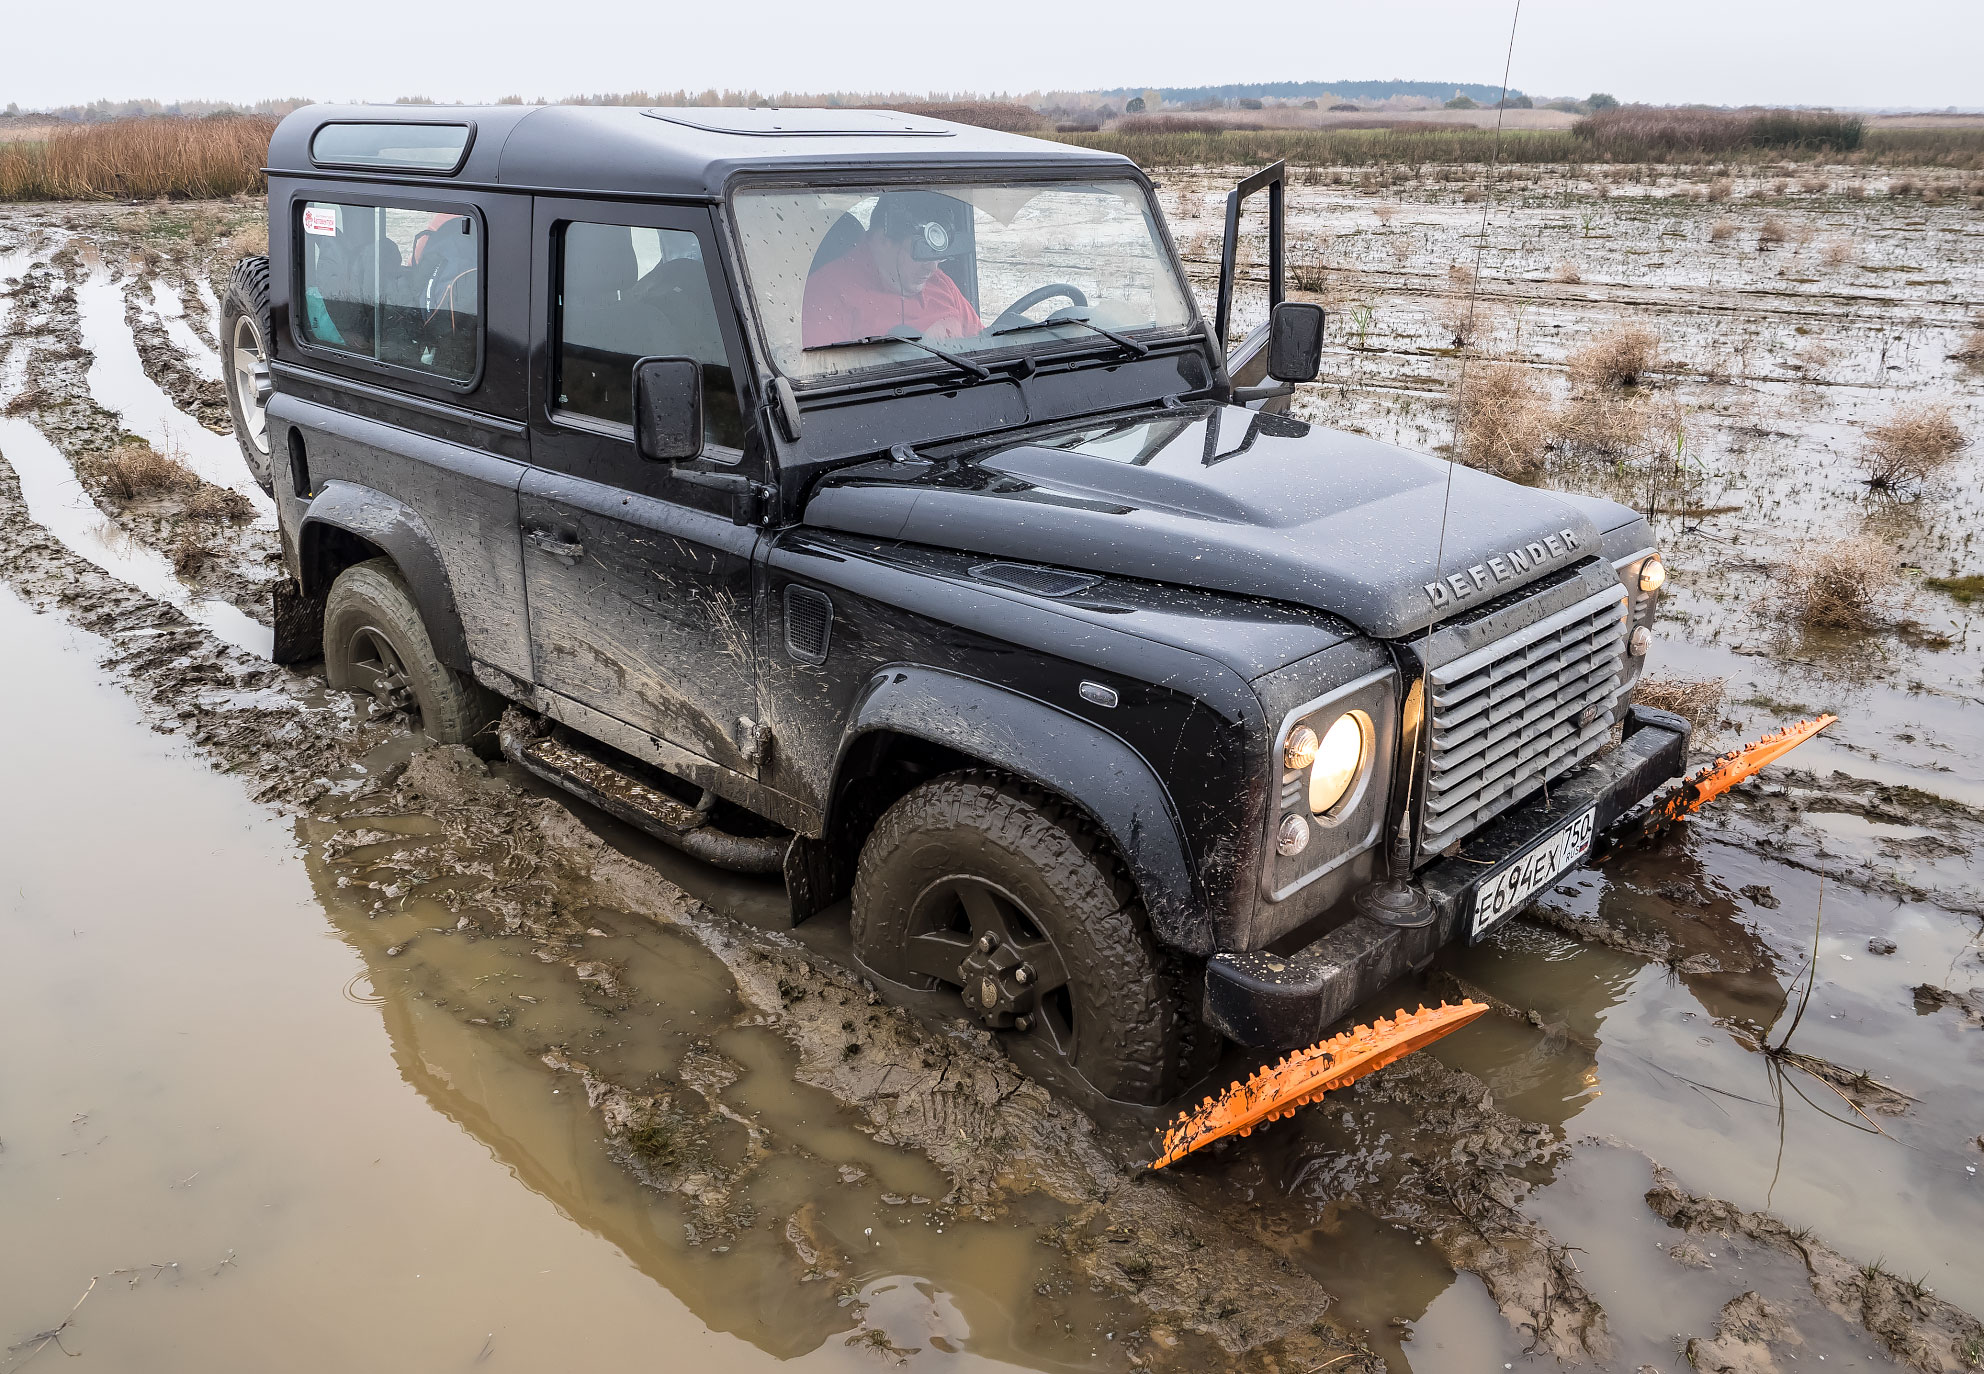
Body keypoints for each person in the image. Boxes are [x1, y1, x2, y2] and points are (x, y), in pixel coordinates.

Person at [801, 190, 982, 347]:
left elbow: (983, 345)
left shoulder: (940, 283)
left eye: (937, 257)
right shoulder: (826, 294)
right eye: (920, 253)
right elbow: (827, 377)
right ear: (882, 240)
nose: (932, 267)